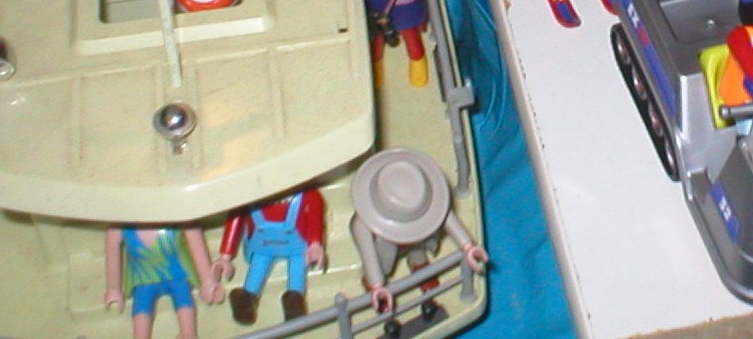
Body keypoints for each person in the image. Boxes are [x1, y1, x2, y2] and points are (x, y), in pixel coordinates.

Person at [350, 148, 488, 318]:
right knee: (381, 264)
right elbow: (368, 254)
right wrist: (377, 284)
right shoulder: (362, 225)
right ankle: (371, 285)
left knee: (418, 248)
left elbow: (446, 217)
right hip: (383, 243)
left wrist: (468, 247)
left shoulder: (422, 198)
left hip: (417, 234)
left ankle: (419, 264)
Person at [213, 189, 325, 325]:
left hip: (296, 247)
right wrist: (225, 256)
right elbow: (235, 218)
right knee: (259, 264)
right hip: (263, 247)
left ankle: (295, 302)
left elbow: (315, 213)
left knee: (297, 268)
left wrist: (315, 243)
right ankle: (248, 298)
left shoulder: (307, 194)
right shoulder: (246, 195)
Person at [104, 225, 224, 339]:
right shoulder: (119, 229)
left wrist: (207, 281)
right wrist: (113, 288)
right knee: (142, 304)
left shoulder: (181, 221)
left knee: (183, 296)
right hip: (144, 276)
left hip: (177, 272)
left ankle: (188, 333)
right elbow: (112, 251)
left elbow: (196, 242)